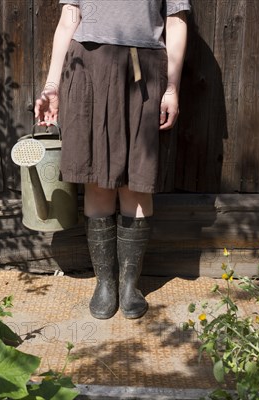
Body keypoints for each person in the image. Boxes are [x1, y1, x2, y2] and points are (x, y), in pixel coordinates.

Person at [34, 0, 189, 319]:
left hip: (142, 69)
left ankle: (129, 286)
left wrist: (172, 87)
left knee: (136, 180)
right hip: (88, 67)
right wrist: (52, 86)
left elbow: (175, 21)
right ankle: (105, 284)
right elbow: (68, 19)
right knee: (97, 178)